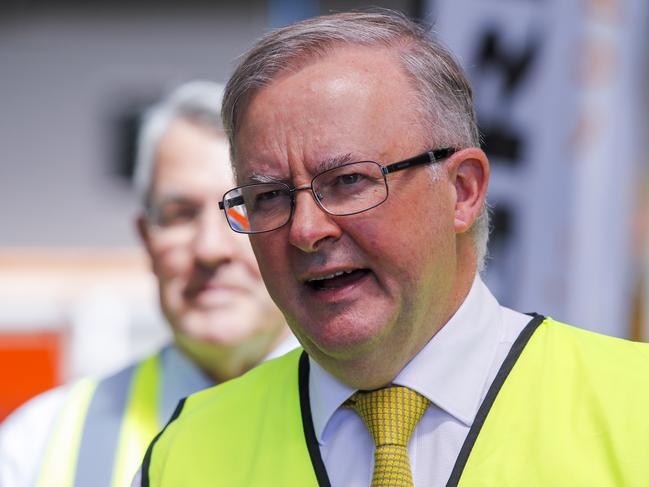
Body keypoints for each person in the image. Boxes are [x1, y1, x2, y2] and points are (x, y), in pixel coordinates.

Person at [138, 11, 649, 487]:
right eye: (269, 196)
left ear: (463, 190)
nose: (306, 230)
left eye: (349, 181)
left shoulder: (633, 408)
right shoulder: (185, 454)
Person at [0, 81, 297, 487]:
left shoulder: (381, 418)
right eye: (179, 214)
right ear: (145, 238)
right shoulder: (36, 445)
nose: (210, 249)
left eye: (242, 207)